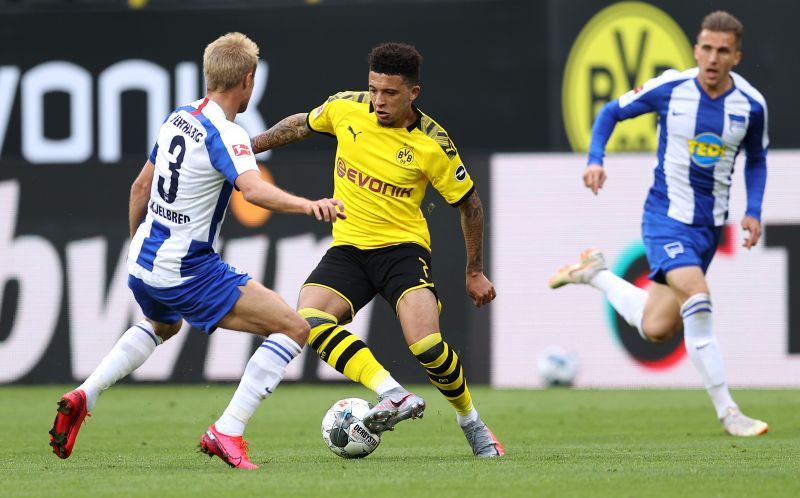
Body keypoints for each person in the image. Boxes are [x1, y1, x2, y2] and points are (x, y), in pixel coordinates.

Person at [48, 32, 345, 469]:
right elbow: (254, 192)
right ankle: (228, 431)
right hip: (187, 269)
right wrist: (309, 204)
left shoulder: (178, 117)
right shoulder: (228, 134)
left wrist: (137, 247)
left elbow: (139, 188)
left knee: (162, 324)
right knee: (293, 328)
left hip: (143, 261)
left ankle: (83, 394)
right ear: (248, 80)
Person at [205, 42, 504, 463]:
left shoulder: (433, 143)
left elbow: (469, 204)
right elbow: (302, 124)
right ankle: (392, 393)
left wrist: (475, 270)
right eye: (374, 89)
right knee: (306, 320)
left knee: (428, 347)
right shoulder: (346, 108)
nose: (379, 101)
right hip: (348, 249)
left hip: (402, 250)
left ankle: (471, 421)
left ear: (413, 93)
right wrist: (245, 148)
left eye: (391, 93)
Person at [549, 11, 768, 437]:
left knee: (656, 328)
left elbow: (756, 159)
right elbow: (610, 112)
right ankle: (729, 413)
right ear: (696, 49)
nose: (712, 58)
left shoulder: (751, 105)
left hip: (707, 229)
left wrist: (754, 209)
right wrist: (595, 159)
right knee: (699, 300)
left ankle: (596, 275)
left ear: (736, 57)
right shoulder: (672, 87)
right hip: (665, 219)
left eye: (723, 50)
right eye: (706, 48)